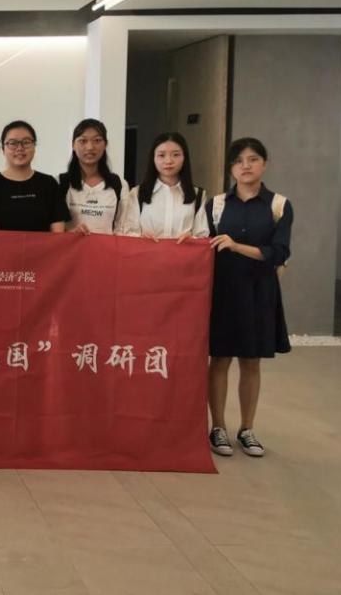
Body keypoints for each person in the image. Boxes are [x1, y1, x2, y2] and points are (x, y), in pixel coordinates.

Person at [205, 138, 292, 458]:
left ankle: (247, 429)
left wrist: (236, 246)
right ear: (231, 168)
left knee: (251, 361)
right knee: (219, 360)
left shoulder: (279, 205)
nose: (246, 165)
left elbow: (278, 252)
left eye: (253, 159)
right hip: (222, 291)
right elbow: (204, 246)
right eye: (239, 160)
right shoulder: (215, 204)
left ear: (264, 164)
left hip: (259, 291)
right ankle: (217, 427)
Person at [0, 120, 68, 234]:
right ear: (3, 148)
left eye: (26, 142)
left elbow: (58, 235)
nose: (20, 148)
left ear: (34, 146)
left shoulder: (49, 184)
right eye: (12, 143)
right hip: (2, 246)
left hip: (43, 247)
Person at [115, 132, 208, 240]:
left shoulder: (198, 195)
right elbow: (126, 233)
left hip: (183, 251)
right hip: (147, 251)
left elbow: (202, 236)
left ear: (184, 158)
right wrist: (140, 237)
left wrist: (192, 238)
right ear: (153, 159)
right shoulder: (137, 193)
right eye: (161, 155)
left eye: (176, 155)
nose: (168, 161)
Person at [58, 118, 124, 234]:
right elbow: (54, 228)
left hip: (107, 246)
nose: (90, 147)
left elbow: (123, 228)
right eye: (83, 141)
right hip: (72, 246)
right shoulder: (60, 182)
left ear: (105, 144)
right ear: (73, 145)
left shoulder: (118, 184)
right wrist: (71, 233)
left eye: (97, 140)